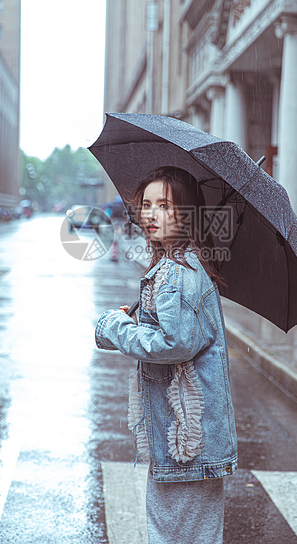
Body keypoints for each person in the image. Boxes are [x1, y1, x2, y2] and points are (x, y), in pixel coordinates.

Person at [95, 166, 237, 543]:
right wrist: (137, 317)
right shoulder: (178, 265)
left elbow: (174, 343)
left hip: (185, 441)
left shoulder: (177, 271)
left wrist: (114, 327)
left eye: (166, 206)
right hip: (188, 440)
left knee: (173, 535)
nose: (152, 214)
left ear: (187, 213)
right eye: (147, 205)